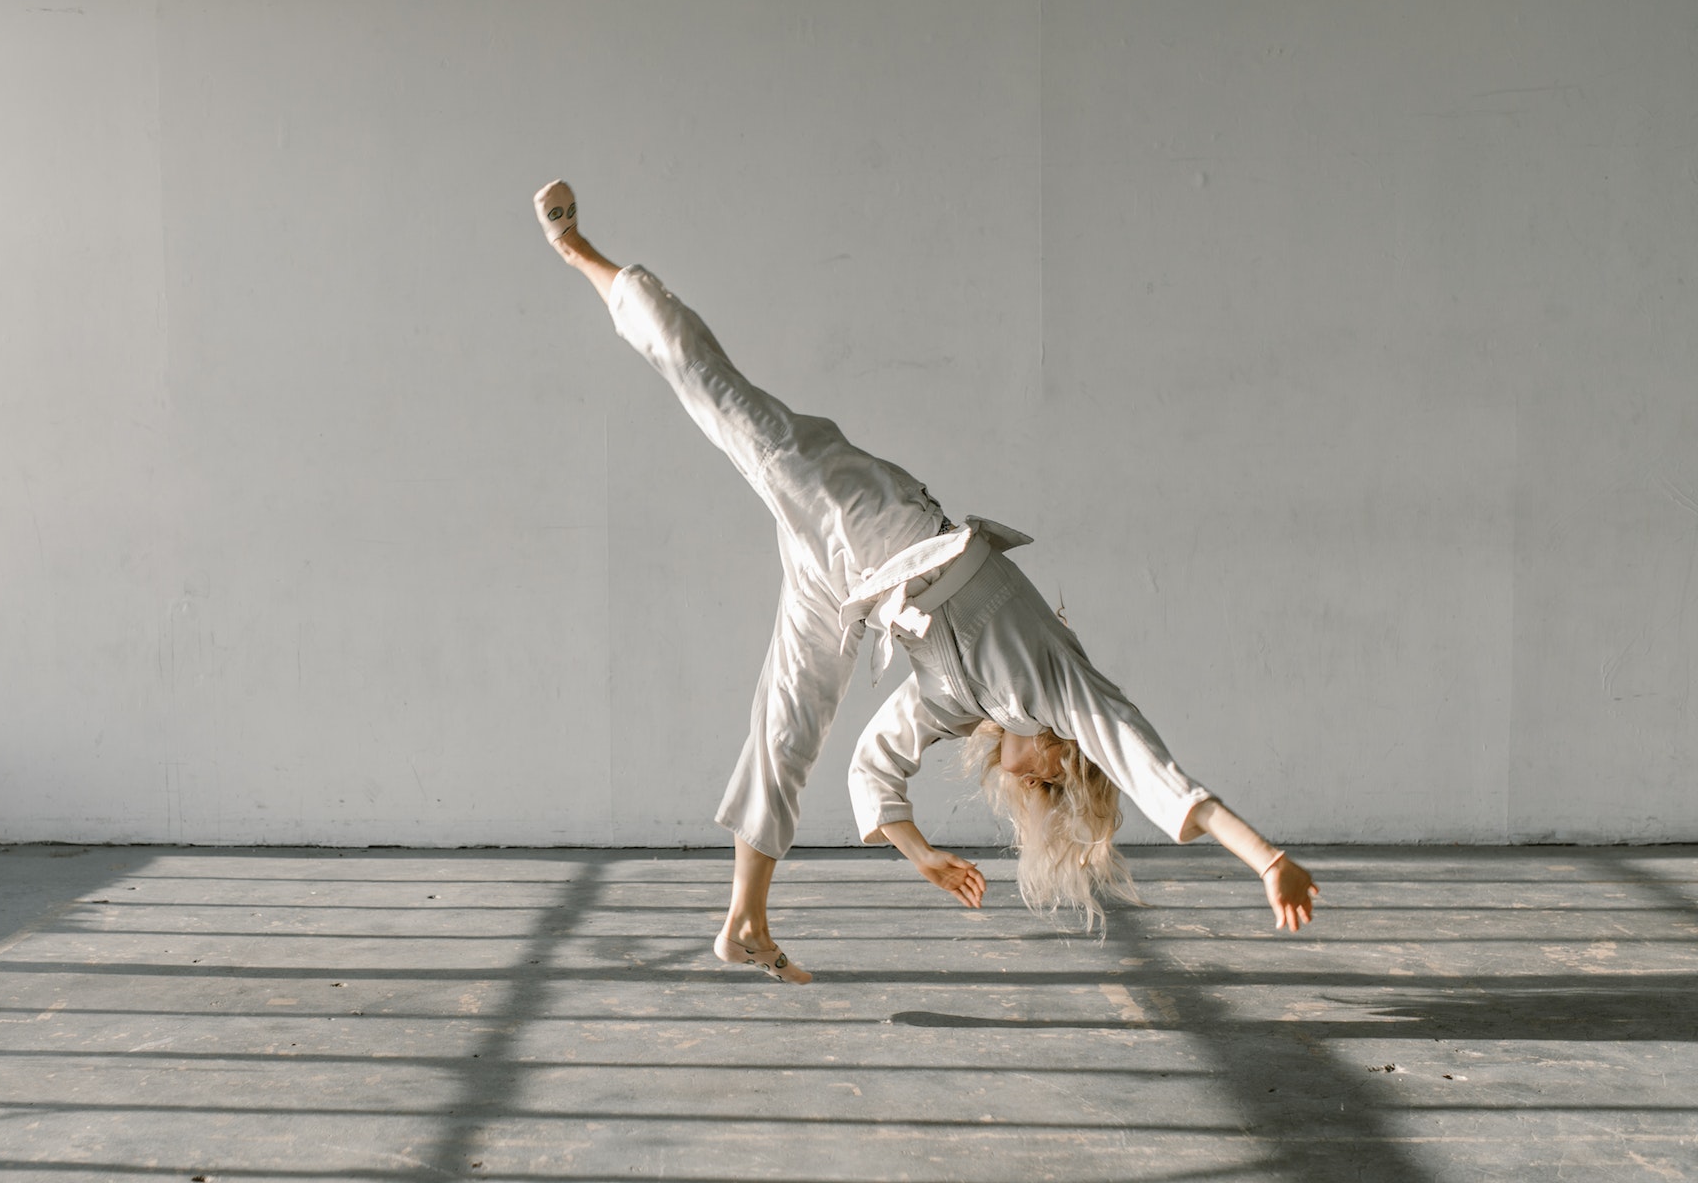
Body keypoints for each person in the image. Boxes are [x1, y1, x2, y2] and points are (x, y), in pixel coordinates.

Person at [533, 181, 1318, 983]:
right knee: (719, 397)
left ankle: (746, 919)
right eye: (1055, 783)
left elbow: (872, 765)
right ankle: (581, 254)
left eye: (1039, 799)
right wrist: (1266, 860)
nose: (1036, 788)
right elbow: (1156, 769)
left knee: (788, 723)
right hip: (874, 521)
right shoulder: (1054, 678)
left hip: (847, 584)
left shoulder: (956, 704)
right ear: (1063, 755)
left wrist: (919, 855)